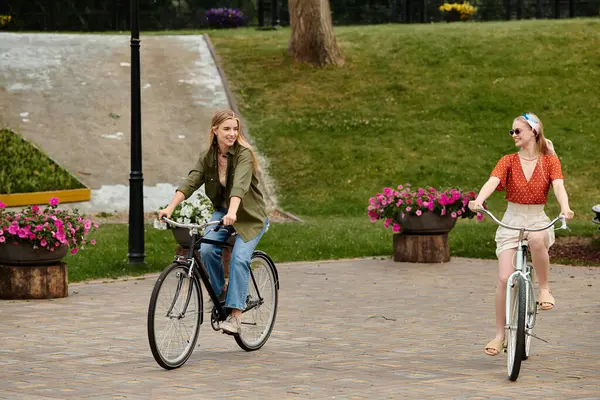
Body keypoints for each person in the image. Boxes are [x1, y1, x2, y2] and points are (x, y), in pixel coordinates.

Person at [468, 112, 574, 356]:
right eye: (512, 131)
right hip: (511, 221)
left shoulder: (549, 161)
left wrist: (565, 208)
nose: (513, 135)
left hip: (537, 219)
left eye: (518, 131)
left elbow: (558, 186)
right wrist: (479, 200)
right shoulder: (507, 161)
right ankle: (499, 336)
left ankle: (544, 288)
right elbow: (492, 181)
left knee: (537, 239)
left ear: (534, 132)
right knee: (504, 278)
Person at [158, 109, 269, 335]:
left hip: (249, 217)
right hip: (223, 212)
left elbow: (239, 185)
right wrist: (170, 207)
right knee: (207, 248)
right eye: (227, 129)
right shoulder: (208, 156)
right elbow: (191, 181)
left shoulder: (244, 155)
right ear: (215, 130)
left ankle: (236, 316)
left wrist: (234, 212)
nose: (232, 133)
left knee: (239, 258)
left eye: (235, 129)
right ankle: (220, 295)